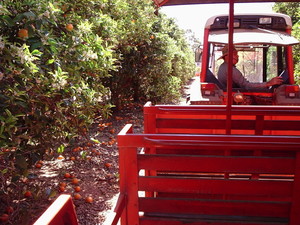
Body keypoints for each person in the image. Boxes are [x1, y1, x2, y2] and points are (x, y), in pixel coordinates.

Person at [217, 46, 283, 89]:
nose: (237, 56)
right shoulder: (230, 69)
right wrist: (268, 83)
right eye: (235, 54)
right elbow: (246, 85)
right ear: (226, 57)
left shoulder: (223, 67)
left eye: (237, 54)